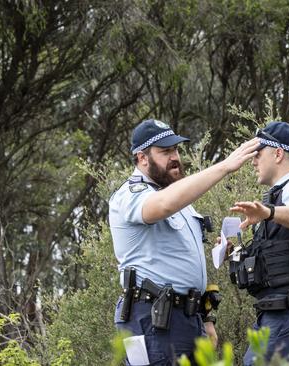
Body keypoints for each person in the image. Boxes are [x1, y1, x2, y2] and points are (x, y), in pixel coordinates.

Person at [109, 119, 258, 365]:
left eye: (176, 150)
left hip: (188, 320)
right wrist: (224, 167)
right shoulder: (130, 194)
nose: (175, 157)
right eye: (165, 151)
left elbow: (184, 259)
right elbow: (161, 205)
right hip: (150, 320)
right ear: (142, 158)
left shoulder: (180, 201)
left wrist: (206, 317)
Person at [229, 121, 289, 365]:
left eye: (258, 154)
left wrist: (269, 212)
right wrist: (232, 253)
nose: (253, 161)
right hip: (278, 316)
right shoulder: (278, 197)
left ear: (279, 153)